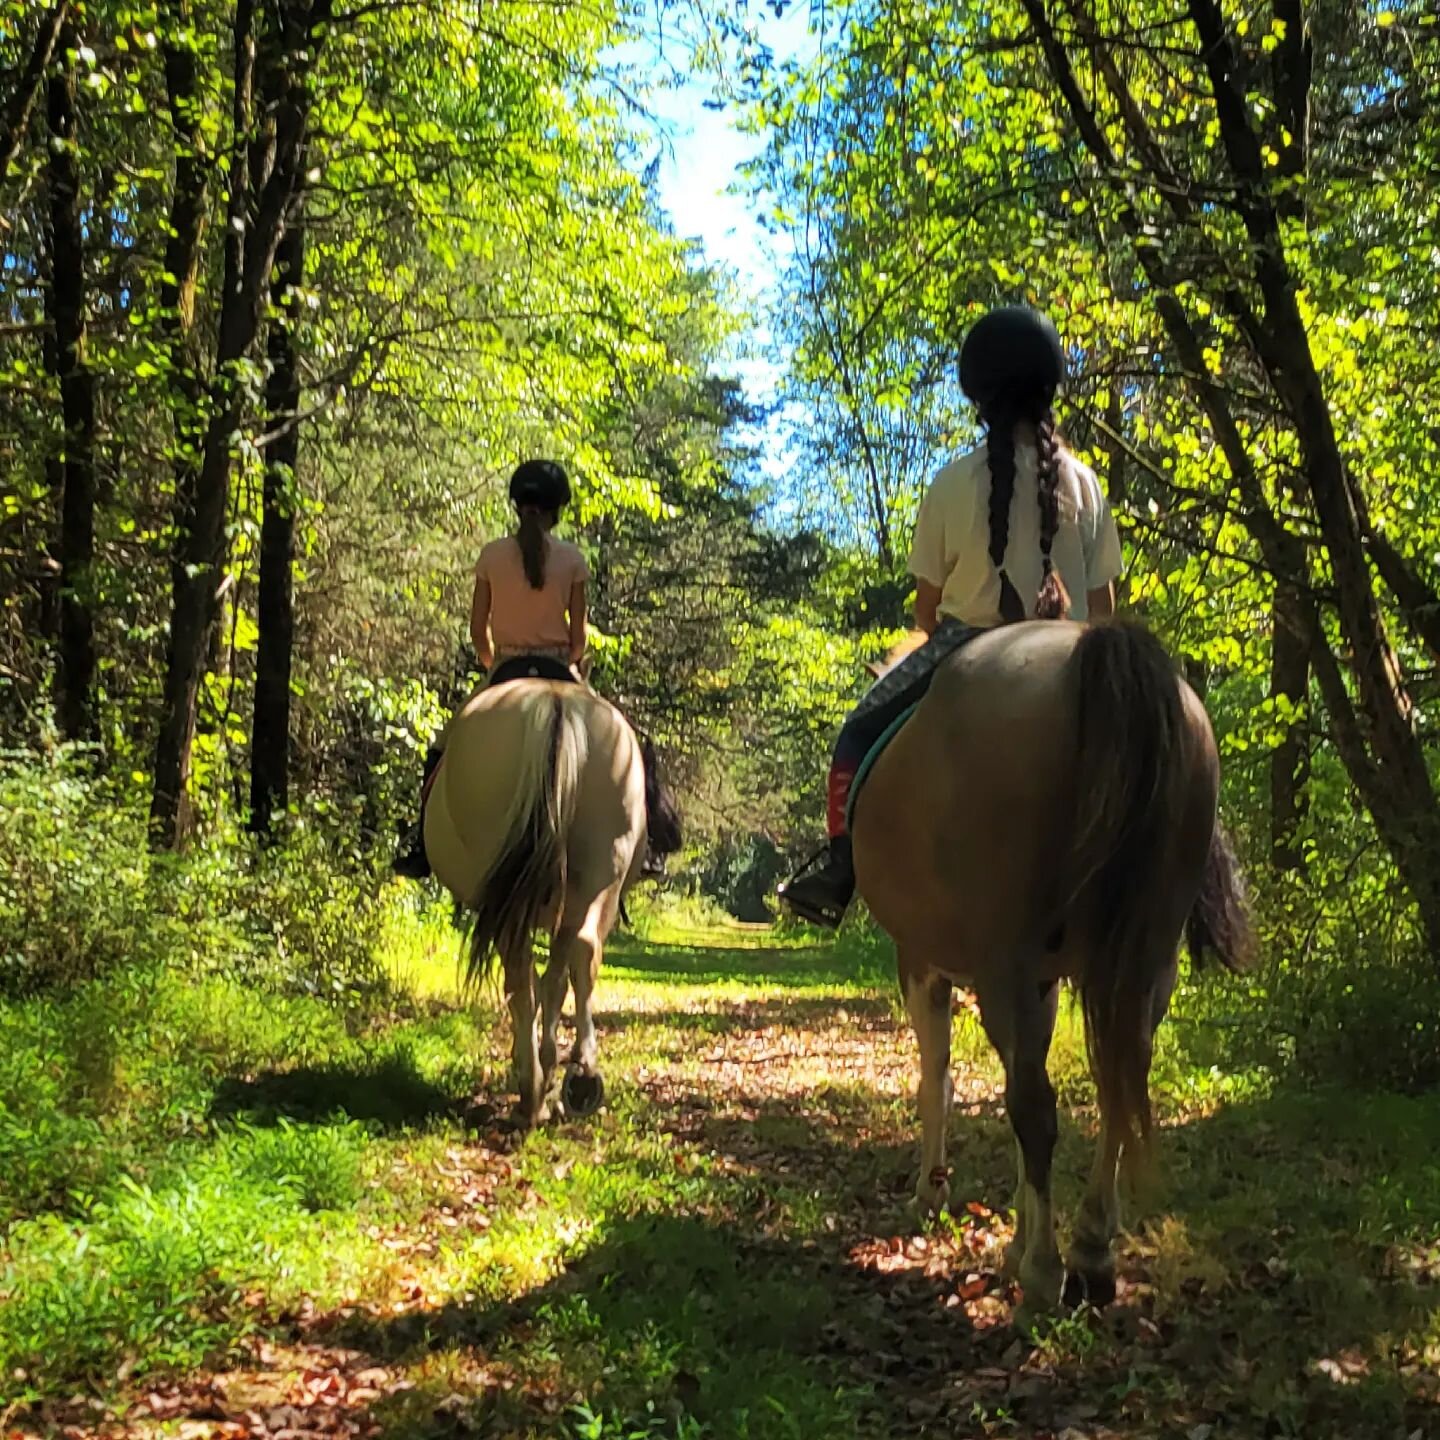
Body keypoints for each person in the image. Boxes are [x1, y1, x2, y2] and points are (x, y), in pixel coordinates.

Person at [777, 306, 1123, 928]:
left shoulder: (951, 483)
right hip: (1074, 651)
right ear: (1049, 390)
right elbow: (1104, 611)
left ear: (980, 399)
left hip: (967, 642)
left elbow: (926, 610)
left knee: (857, 732)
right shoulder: (1089, 486)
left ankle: (839, 869)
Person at [394, 458, 679, 880]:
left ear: (517, 505)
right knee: (630, 743)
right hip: (559, 667)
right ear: (557, 509)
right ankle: (651, 843)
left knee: (440, 749)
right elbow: (579, 639)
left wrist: (494, 664)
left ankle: (420, 841)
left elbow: (478, 630)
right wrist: (569, 659)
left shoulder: (491, 556)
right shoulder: (572, 559)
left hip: (506, 665)